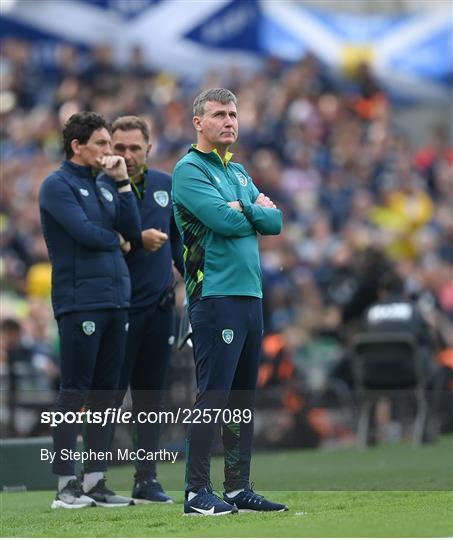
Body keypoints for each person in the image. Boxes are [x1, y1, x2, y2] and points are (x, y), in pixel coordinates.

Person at [172, 88, 288, 515]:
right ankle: (195, 492)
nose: (229, 121)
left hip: (249, 295)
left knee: (241, 399)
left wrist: (246, 208)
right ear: (198, 123)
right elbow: (221, 219)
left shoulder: (238, 172)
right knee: (214, 395)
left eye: (233, 114)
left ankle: (238, 487)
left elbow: (274, 221)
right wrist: (249, 211)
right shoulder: (188, 170)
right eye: (219, 114)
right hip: (214, 294)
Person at [39, 111, 140, 509]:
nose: (109, 151)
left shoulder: (106, 183)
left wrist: (123, 183)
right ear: (76, 146)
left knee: (107, 395)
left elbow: (130, 230)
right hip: (81, 301)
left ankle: (95, 481)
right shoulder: (56, 185)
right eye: (102, 143)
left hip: (117, 299)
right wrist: (116, 240)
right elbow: (84, 233)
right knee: (74, 392)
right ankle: (66, 486)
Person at [101, 115, 184, 503]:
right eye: (120, 148)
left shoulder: (166, 185)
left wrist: (198, 287)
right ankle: (92, 479)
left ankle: (146, 478)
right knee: (110, 396)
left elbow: (180, 247)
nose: (128, 155)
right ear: (109, 148)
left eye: (135, 148)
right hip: (117, 311)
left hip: (160, 309)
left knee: (151, 397)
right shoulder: (100, 187)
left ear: (148, 148)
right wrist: (134, 240)